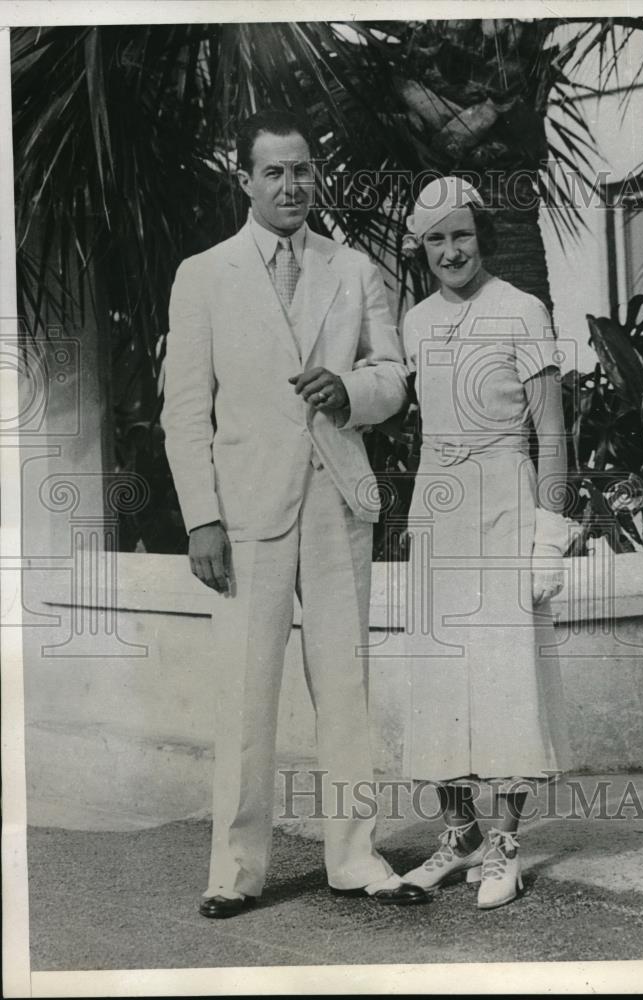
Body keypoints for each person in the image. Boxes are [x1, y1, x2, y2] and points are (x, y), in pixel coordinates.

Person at [162, 109, 429, 918]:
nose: (290, 185)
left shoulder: (351, 269)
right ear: (243, 180)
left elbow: (393, 374)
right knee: (247, 693)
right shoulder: (203, 275)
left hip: (336, 503)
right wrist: (201, 519)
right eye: (273, 172)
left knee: (345, 682)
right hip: (245, 514)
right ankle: (236, 870)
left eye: (302, 170)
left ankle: (353, 857)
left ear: (317, 176)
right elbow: (184, 411)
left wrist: (349, 392)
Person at [399, 176, 573, 909]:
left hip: (505, 496)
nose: (450, 250)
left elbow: (554, 433)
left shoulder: (521, 310)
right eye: (436, 238)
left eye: (460, 235)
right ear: (422, 249)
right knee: (437, 675)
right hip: (439, 500)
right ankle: (459, 833)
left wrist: (548, 541)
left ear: (482, 237)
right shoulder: (413, 322)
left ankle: (504, 845)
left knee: (504, 677)